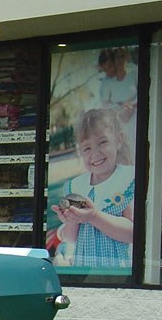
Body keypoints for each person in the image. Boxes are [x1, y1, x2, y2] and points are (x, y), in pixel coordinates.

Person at [51, 107, 134, 269]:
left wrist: (94, 216)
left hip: (118, 270)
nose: (95, 153)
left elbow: (133, 234)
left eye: (102, 142)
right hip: (83, 269)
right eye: (87, 148)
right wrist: (70, 219)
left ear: (118, 140)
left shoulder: (127, 180)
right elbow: (70, 237)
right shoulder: (75, 186)